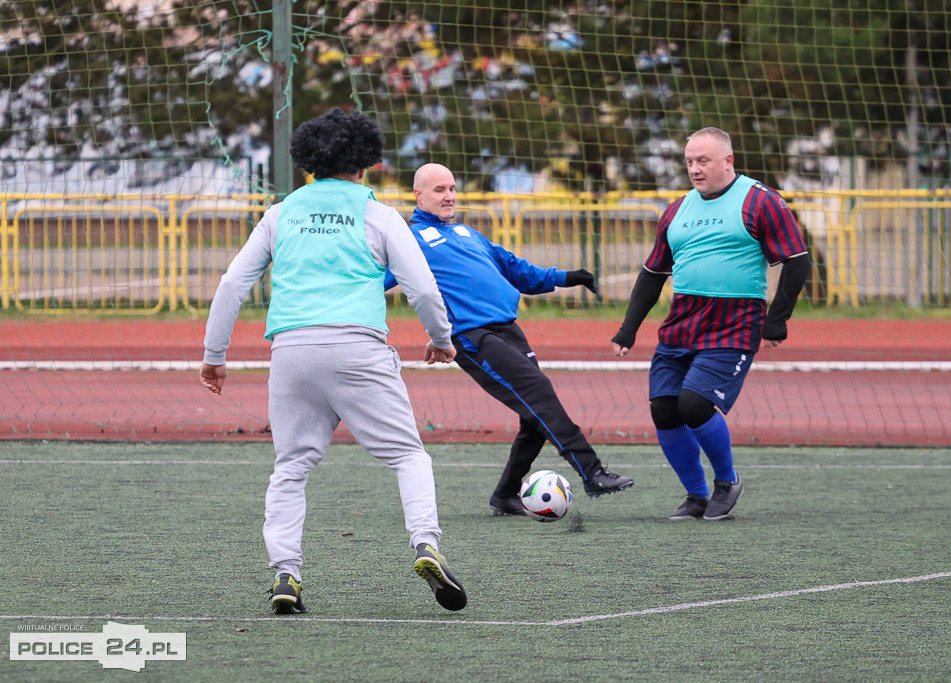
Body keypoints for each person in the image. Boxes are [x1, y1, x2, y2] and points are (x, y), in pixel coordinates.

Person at [199, 109, 467, 613]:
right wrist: (441, 338)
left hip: (292, 353)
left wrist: (215, 356)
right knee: (408, 455)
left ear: (308, 163)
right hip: (358, 349)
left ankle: (285, 575)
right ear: (365, 163)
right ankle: (425, 545)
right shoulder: (379, 214)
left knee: (292, 467)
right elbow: (422, 287)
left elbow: (233, 284)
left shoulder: (280, 213)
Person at [385, 163, 634, 517]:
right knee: (539, 392)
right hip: (473, 338)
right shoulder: (409, 241)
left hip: (509, 330)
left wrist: (567, 277)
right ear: (418, 195)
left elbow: (515, 268)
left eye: (452, 188)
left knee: (534, 417)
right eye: (439, 189)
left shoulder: (467, 233)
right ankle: (592, 471)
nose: (449, 196)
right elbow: (373, 281)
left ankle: (504, 496)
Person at [611, 127, 809, 521]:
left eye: (703, 161)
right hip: (681, 323)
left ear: (727, 161)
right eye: (689, 162)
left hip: (734, 324)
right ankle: (696, 495)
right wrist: (628, 328)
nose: (695, 170)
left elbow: (798, 259)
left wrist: (777, 319)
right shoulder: (676, 209)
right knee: (664, 409)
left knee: (696, 404)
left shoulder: (760, 200)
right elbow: (653, 273)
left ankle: (727, 480)